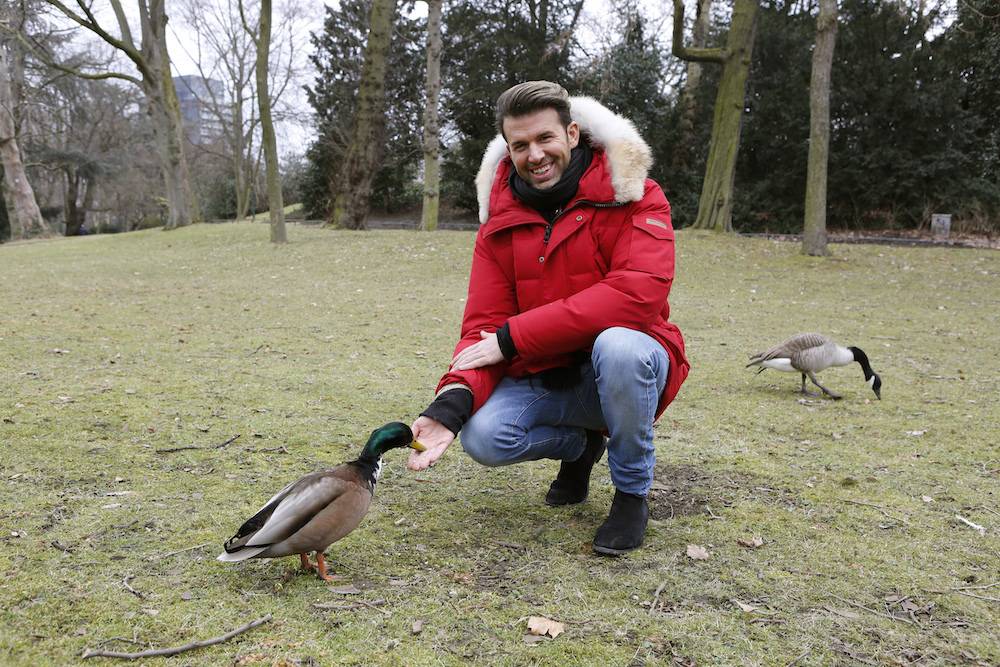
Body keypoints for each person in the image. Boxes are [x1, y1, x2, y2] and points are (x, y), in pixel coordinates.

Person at [407, 81, 688, 555]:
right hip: (549, 374)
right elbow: (483, 327)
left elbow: (636, 294)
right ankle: (580, 449)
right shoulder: (498, 226)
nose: (534, 155)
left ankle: (631, 492)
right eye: (520, 145)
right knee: (484, 436)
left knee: (618, 345)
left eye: (545, 139)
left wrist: (515, 337)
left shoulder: (637, 195)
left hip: (627, 367)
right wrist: (449, 406)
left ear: (572, 134)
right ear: (508, 150)